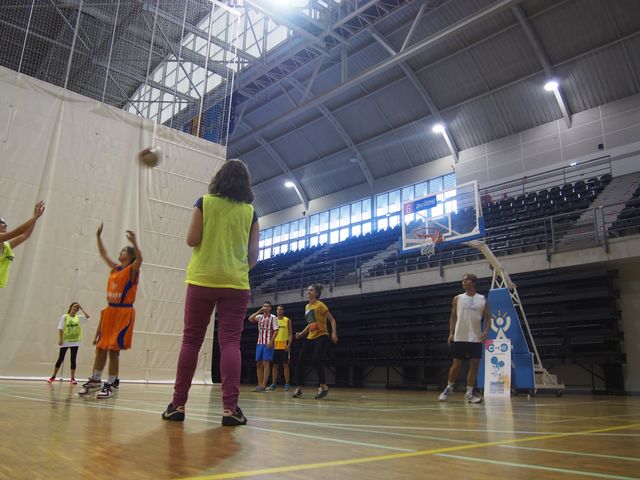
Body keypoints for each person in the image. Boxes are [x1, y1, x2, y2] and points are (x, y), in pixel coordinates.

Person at [162, 159, 259, 426]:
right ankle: (230, 409)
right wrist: (237, 269)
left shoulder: (204, 202)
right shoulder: (251, 212)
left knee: (191, 340)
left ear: (220, 178)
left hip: (202, 278)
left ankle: (178, 405)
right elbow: (254, 256)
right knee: (230, 342)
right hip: (236, 284)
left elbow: (192, 240)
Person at [78, 225, 142, 399]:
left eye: (123, 251)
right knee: (100, 349)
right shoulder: (115, 268)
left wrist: (135, 242)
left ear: (130, 256)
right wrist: (98, 237)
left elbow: (140, 259)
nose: (120, 253)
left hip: (123, 313)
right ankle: (95, 381)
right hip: (110, 311)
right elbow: (104, 254)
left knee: (114, 350)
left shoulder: (132, 270)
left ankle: (111, 383)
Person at [438, 273, 490, 404]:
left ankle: (469, 393)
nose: (463, 282)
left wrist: (486, 332)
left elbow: (488, 318)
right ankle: (449, 387)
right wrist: (451, 333)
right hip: (460, 336)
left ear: (473, 282)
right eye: (462, 280)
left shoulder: (482, 299)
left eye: (465, 280)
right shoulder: (458, 298)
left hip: (476, 337)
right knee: (456, 364)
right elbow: (453, 317)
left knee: (474, 365)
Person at [292, 284, 338, 399]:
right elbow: (310, 324)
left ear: (316, 293)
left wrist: (334, 333)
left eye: (311, 290)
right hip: (310, 337)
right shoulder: (307, 307)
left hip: (321, 335)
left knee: (316, 359)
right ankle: (298, 388)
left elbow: (332, 320)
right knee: (300, 361)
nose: (308, 291)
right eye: (308, 290)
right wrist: (301, 334)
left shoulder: (320, 305)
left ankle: (323, 386)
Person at [0, 201, 45, 288]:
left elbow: (25, 235)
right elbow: (18, 231)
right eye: (2, 223)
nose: (6, 225)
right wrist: (35, 217)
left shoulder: (6, 246)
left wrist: (35, 217)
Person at [47, 302, 91, 384]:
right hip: (66, 341)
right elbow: (60, 328)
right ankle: (53, 376)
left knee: (73, 359)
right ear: (71, 307)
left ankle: (72, 378)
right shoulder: (65, 317)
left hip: (75, 341)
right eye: (75, 306)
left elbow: (88, 317)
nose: (76, 308)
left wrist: (82, 308)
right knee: (60, 359)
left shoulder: (79, 317)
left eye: (77, 308)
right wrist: (60, 339)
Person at [248, 301, 278, 392]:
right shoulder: (259, 317)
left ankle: (264, 385)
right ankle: (259, 384)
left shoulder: (273, 317)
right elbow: (250, 318)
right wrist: (259, 311)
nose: (265, 307)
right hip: (259, 343)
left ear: (270, 308)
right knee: (258, 364)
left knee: (266, 363)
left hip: (268, 342)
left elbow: (276, 330)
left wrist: (271, 342)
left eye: (267, 306)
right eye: (264, 306)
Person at [267, 305, 292, 391]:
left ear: (283, 311)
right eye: (278, 309)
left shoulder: (287, 320)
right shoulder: (274, 320)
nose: (279, 311)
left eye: (281, 309)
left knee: (285, 365)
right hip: (275, 345)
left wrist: (289, 345)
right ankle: (273, 384)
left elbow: (290, 334)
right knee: (274, 365)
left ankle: (287, 384)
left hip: (284, 345)